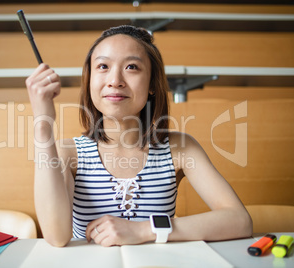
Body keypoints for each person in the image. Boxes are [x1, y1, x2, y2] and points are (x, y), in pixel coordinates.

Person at [26, 25, 252, 247]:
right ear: (89, 81)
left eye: (132, 67)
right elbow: (56, 237)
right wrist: (43, 124)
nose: (115, 80)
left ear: (152, 84)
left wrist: (143, 230)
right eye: (103, 66)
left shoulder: (179, 148)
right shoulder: (67, 153)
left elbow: (239, 221)